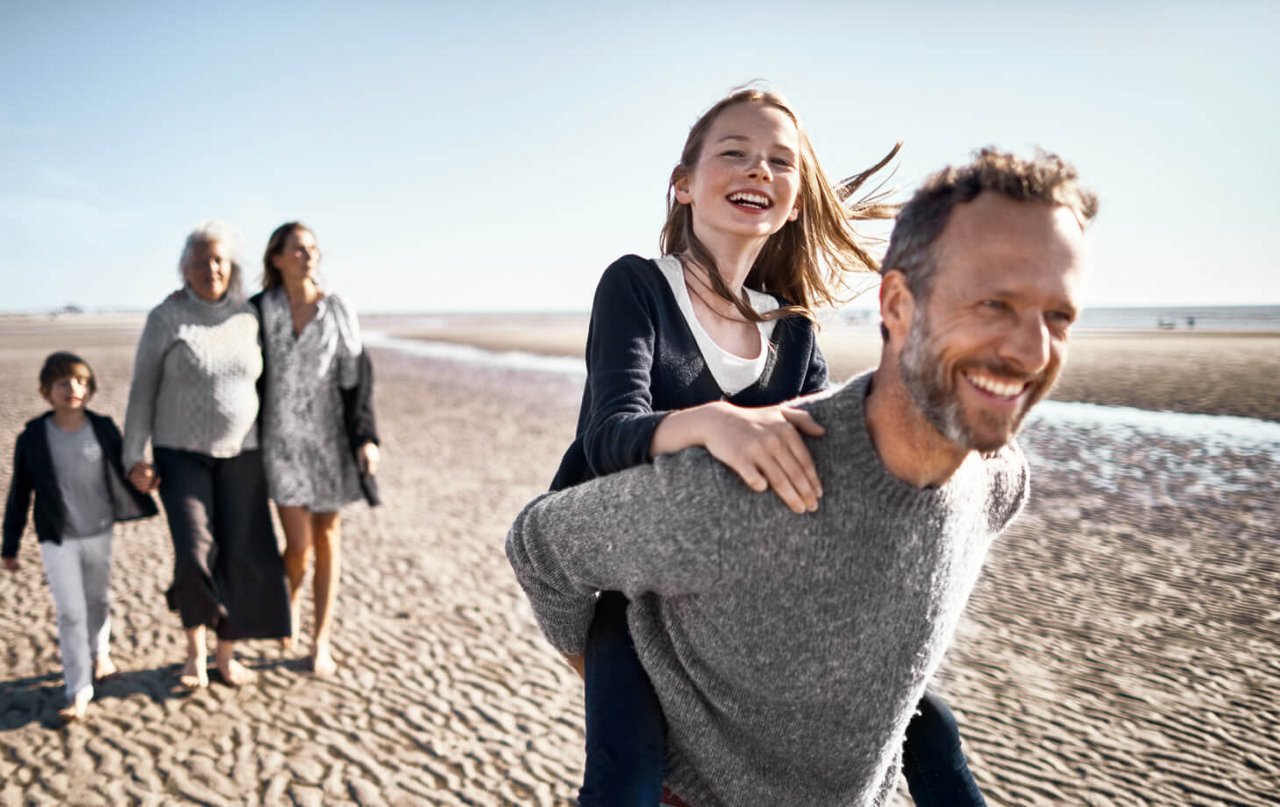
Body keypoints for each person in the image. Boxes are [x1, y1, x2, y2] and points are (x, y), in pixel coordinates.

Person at [508, 147, 1097, 805]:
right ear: (896, 304)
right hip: (688, 773)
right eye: (993, 302)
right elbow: (541, 546)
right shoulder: (746, 487)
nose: (1031, 351)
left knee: (938, 736)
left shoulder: (996, 483)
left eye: (1059, 316)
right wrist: (624, 698)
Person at [546, 86, 980, 806]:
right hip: (631, 584)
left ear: (798, 200)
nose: (758, 171)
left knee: (930, 728)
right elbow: (605, 439)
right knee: (627, 780)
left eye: (780, 162)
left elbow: (820, 472)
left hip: (748, 586)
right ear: (684, 185)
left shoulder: (797, 332)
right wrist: (715, 421)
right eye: (735, 153)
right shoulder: (637, 286)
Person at [123, 221, 290, 688]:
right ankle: (194, 651)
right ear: (185, 269)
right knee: (195, 551)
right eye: (200, 261)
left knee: (238, 552)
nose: (210, 268)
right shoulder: (166, 317)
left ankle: (224, 653)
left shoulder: (247, 316)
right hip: (180, 454)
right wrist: (135, 455)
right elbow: (142, 392)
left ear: (231, 266)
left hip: (243, 454)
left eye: (218, 260)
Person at [252, 222, 380, 677]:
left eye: (311, 248)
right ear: (277, 258)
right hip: (280, 442)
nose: (306, 255)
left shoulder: (337, 309)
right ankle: (286, 603)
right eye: (296, 249)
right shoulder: (260, 310)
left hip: (329, 442)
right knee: (297, 546)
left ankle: (319, 639)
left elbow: (358, 378)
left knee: (327, 537)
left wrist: (366, 438)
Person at [3, 352, 158, 721]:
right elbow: (19, 492)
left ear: (89, 390)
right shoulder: (33, 436)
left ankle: (100, 653)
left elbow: (126, 469)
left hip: (99, 532)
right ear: (46, 392)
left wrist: (146, 478)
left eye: (81, 382)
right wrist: (9, 545)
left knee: (97, 600)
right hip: (57, 537)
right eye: (63, 383)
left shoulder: (102, 427)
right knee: (71, 613)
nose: (73, 389)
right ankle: (78, 689)